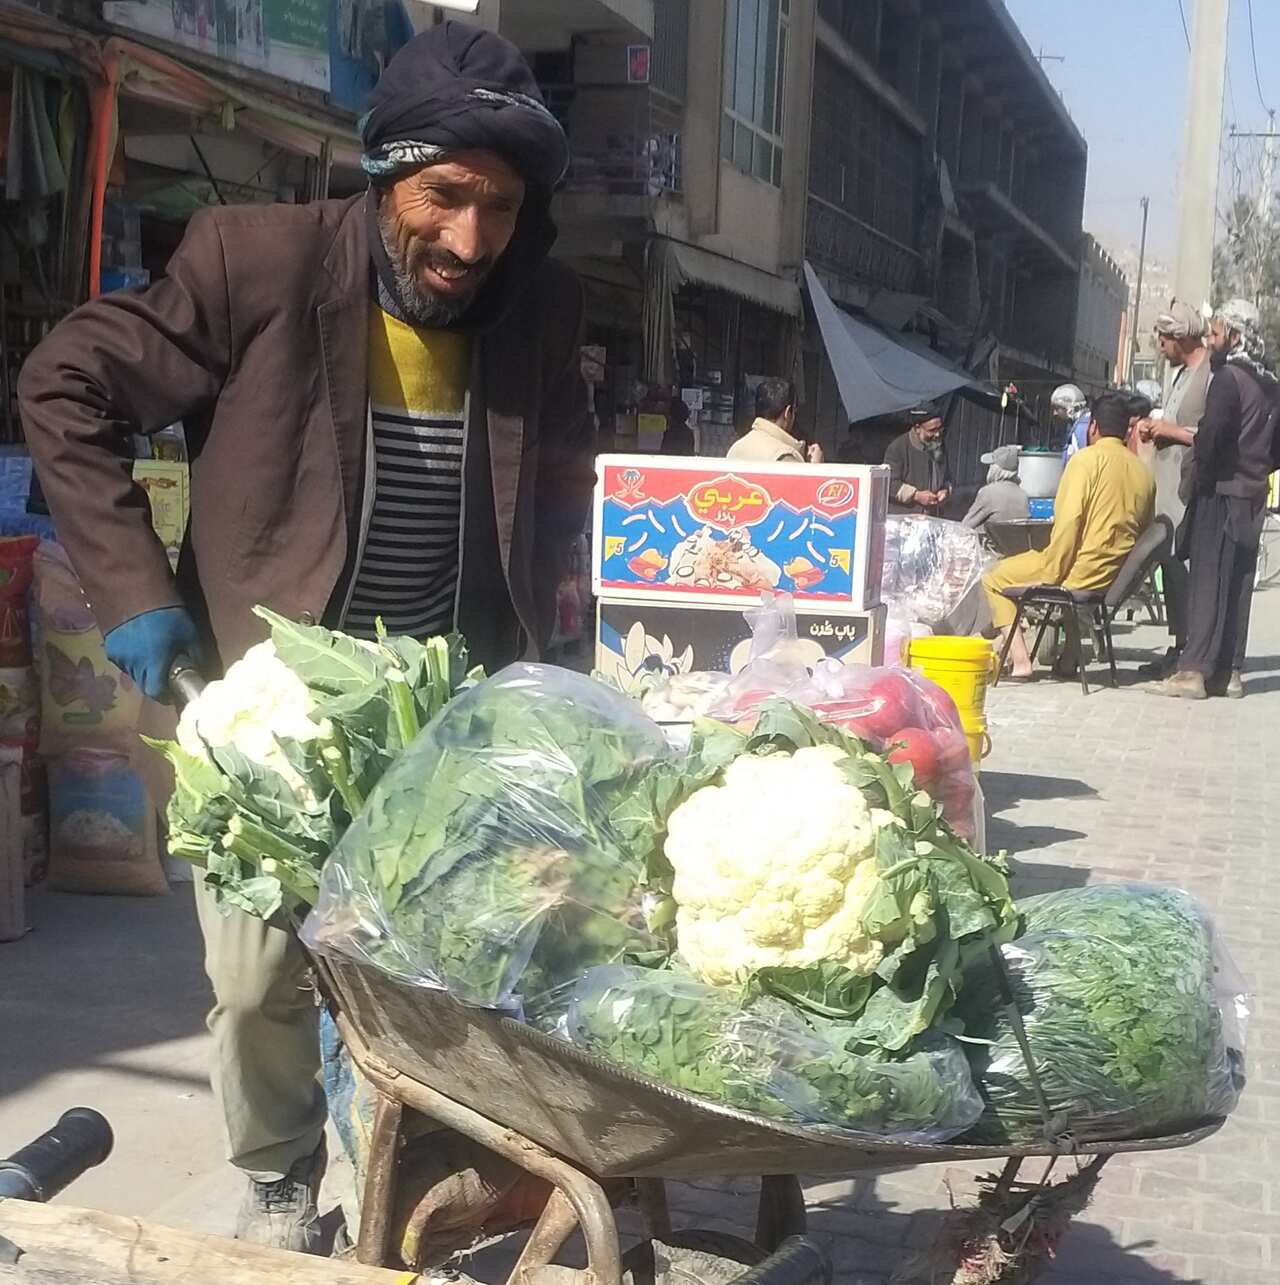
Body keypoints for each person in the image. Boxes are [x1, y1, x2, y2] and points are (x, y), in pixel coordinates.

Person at [18, 23, 592, 1253]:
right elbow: (66, 384)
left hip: (446, 724)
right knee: (255, 981)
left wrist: (565, 677)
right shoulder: (254, 263)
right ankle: (279, 1182)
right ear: (388, 173)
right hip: (276, 715)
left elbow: (556, 493)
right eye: (445, 197)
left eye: (499, 206)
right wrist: (134, 596)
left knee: (434, 983)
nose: (470, 240)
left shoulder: (535, 310)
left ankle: (414, 1192)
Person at [983, 392, 1156, 679]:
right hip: (1112, 577)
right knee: (1077, 567)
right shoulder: (1144, 473)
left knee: (992, 578)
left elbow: (1068, 525)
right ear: (1128, 429)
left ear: (1093, 427)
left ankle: (1021, 660)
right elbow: (1144, 529)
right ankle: (1068, 659)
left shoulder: (1085, 461)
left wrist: (1051, 573)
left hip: (1076, 574)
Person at [1156, 299, 1278, 701]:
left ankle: (1193, 671)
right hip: (1252, 495)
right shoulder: (1271, 384)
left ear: (1237, 336)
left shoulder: (1228, 379)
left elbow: (1211, 438)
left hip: (1220, 493)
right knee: (1239, 582)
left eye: (1218, 332)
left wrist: (1201, 479)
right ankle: (1230, 671)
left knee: (1208, 579)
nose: (1213, 339)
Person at [1133, 301, 1213, 675]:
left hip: (1191, 490)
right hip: (1168, 491)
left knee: (1188, 569)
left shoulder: (1210, 375)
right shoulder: (1180, 375)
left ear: (1181, 338)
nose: (1161, 347)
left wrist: (1170, 432)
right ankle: (1179, 643)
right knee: (1171, 568)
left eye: (1164, 340)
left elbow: (1214, 435)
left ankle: (1193, 651)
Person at [727, 378, 822, 463]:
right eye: (795, 411)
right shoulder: (784, 456)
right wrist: (815, 468)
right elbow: (800, 483)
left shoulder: (735, 449)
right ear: (787, 413)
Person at [884, 402, 951, 513]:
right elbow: (888, 484)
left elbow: (947, 476)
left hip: (934, 516)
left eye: (939, 429)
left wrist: (945, 490)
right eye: (932, 430)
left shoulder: (939, 445)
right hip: (905, 518)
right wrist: (916, 495)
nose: (937, 434)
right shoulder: (898, 448)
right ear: (917, 428)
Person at [962, 444, 1029, 533]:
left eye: (991, 465)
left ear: (996, 469)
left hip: (990, 545)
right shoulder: (1023, 495)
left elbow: (966, 525)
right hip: (1015, 544)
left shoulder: (988, 492)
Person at [1053, 383, 1091, 459]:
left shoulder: (1081, 429)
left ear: (1068, 407)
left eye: (1057, 408)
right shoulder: (1080, 425)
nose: (1055, 413)